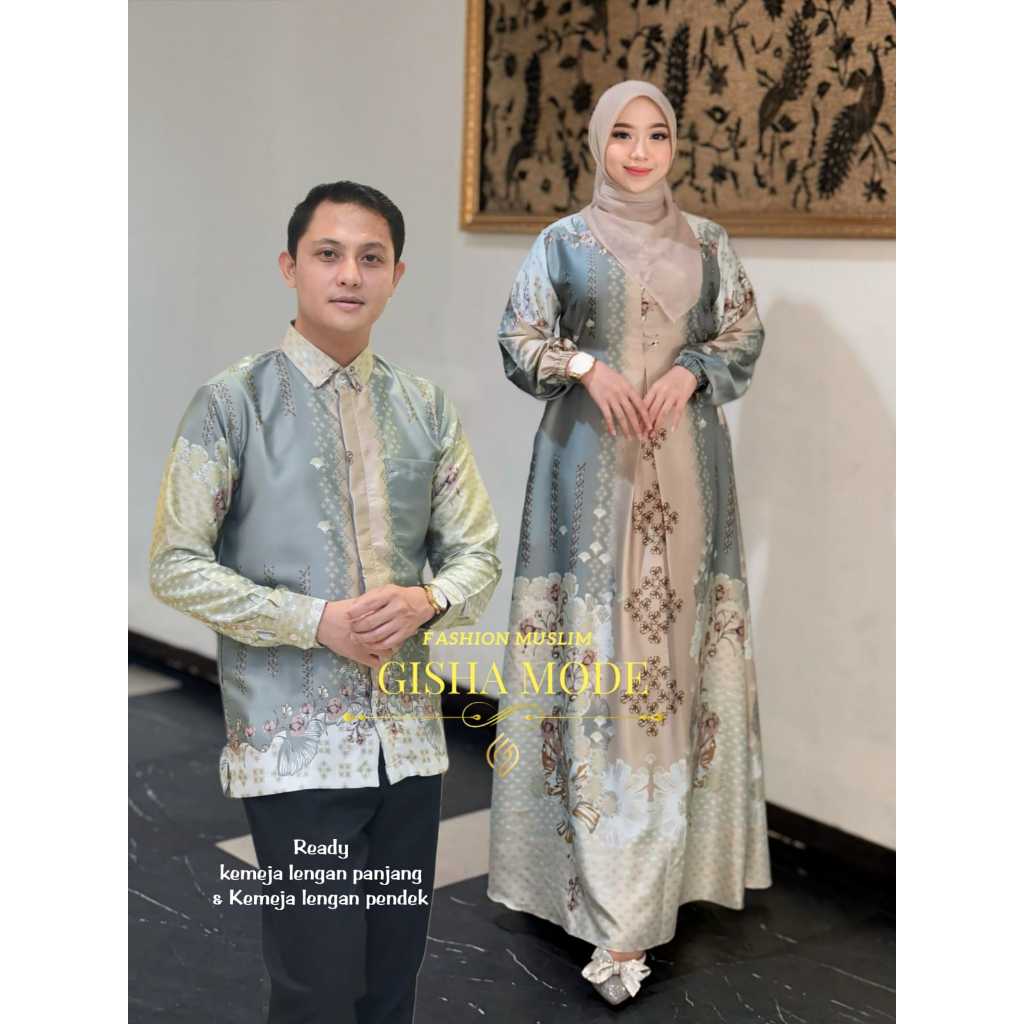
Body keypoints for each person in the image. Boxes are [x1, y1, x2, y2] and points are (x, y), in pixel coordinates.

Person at [149, 180, 501, 1023]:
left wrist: (426, 601)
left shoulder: (425, 409)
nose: (350, 274)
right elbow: (175, 564)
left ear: (397, 276)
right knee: (315, 981)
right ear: (290, 267)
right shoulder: (231, 403)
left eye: (371, 258)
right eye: (329, 254)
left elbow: (479, 554)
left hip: (409, 746)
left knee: (392, 975)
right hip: (293, 746)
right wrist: (316, 622)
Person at [486, 80, 772, 1006]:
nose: (639, 152)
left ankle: (655, 890)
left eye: (656, 135)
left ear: (675, 145)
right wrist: (584, 364)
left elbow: (743, 333)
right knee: (597, 662)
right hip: (586, 479)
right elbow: (518, 336)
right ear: (596, 144)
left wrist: (693, 371)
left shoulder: (710, 245)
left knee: (670, 669)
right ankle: (596, 897)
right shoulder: (562, 243)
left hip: (686, 474)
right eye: (622, 134)